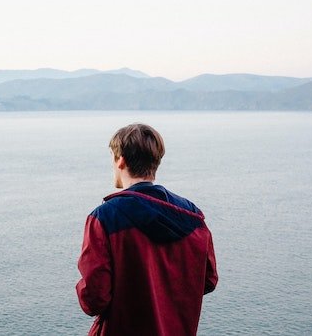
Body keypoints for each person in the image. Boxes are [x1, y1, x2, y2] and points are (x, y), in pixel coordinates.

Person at [76, 123, 218, 336]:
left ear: (120, 160)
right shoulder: (194, 217)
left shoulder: (104, 218)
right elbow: (208, 280)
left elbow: (94, 299)